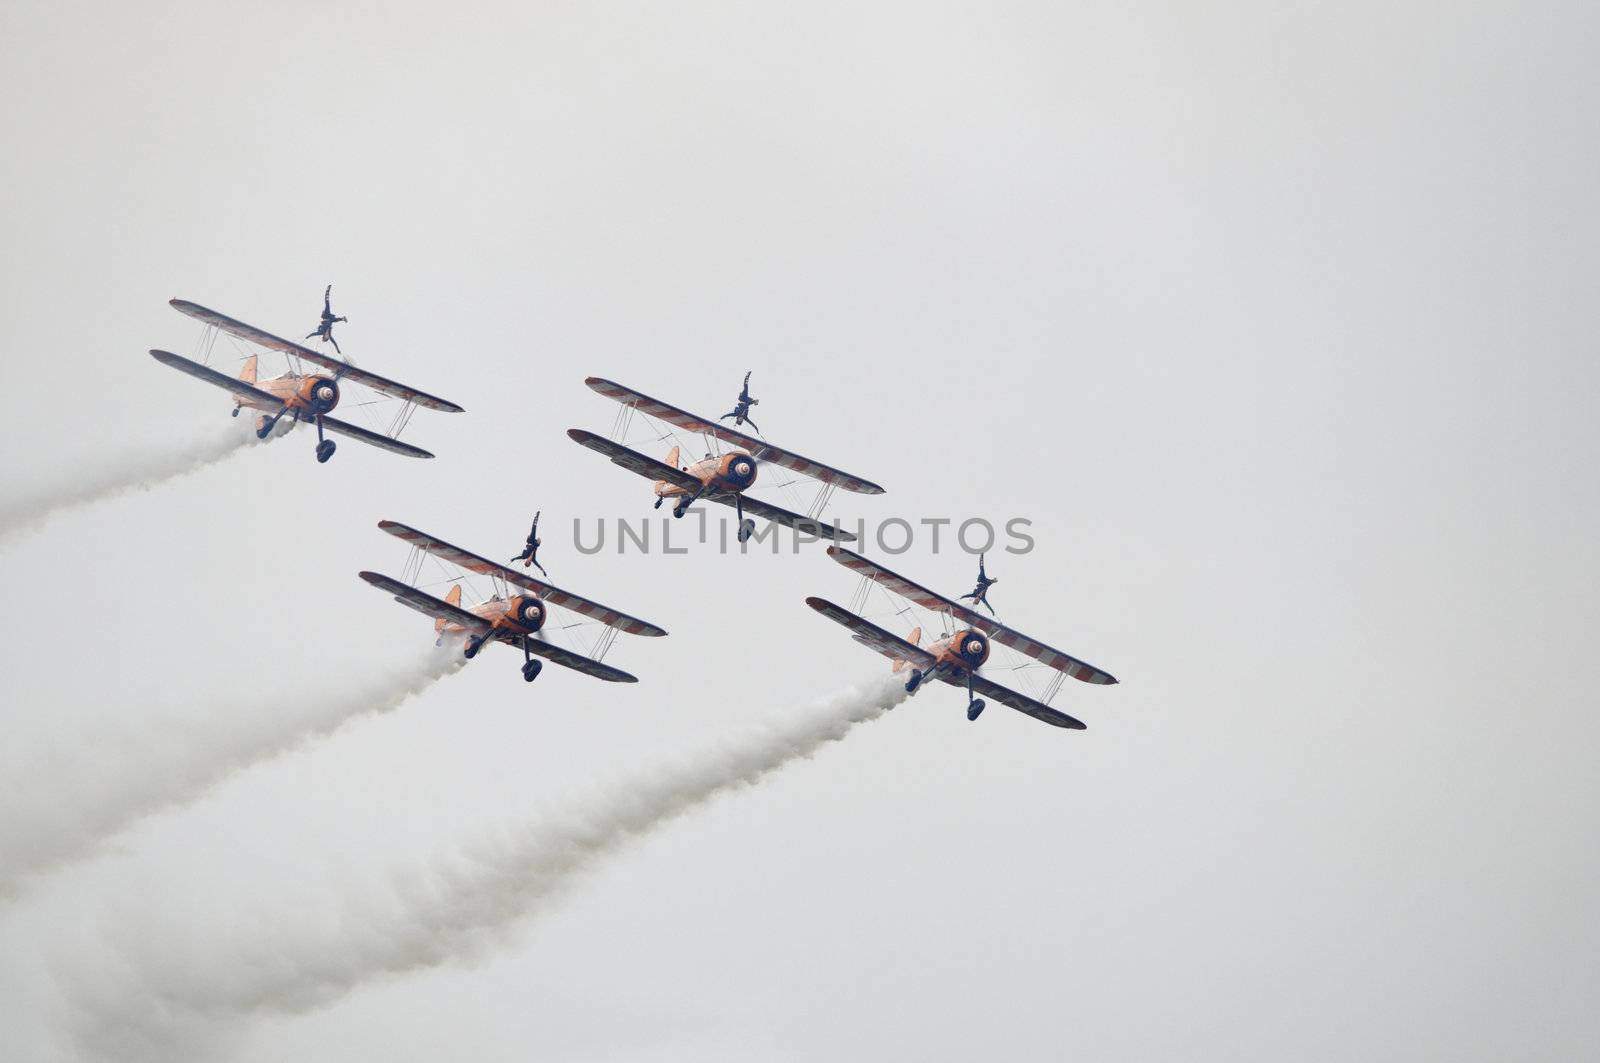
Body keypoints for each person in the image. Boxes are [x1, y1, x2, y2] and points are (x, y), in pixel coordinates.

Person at [305, 284, 348, 354]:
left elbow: (314, 334)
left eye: (326, 337)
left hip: (326, 316)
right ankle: (343, 318)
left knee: (327, 304)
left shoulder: (321, 332)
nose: (327, 336)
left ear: (324, 336)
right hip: (330, 319)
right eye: (327, 337)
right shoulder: (330, 336)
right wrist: (337, 350)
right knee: (334, 320)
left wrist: (308, 336)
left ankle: (327, 291)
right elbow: (334, 343)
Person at [511, 511, 547, 576]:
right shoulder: (533, 560)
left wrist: (513, 559)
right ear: (530, 563)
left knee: (533, 528)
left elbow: (518, 557)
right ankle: (536, 518)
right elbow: (538, 566)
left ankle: (536, 517)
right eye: (529, 562)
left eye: (527, 561)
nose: (528, 561)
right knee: (536, 538)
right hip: (535, 544)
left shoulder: (524, 556)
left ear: (526, 561)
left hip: (530, 541)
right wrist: (543, 571)